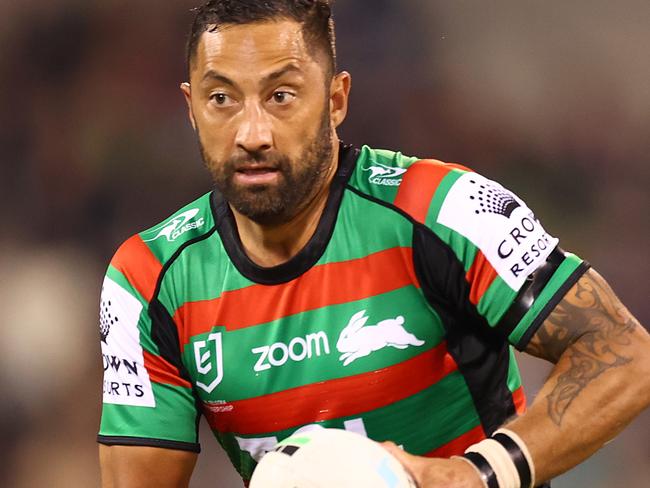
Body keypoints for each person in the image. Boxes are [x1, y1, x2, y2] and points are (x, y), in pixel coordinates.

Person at [97, 1, 650, 487]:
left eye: (282, 95)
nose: (253, 133)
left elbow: (627, 355)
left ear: (337, 100)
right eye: (222, 99)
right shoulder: (145, 282)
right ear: (191, 108)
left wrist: (479, 473)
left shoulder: (445, 211)